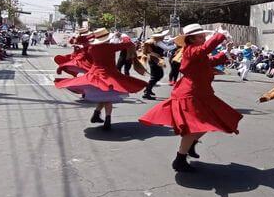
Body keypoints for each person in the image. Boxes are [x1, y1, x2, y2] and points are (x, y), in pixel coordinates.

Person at [139, 24, 241, 173]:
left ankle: (190, 145)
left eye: (203, 36)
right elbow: (204, 50)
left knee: (209, 122)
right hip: (191, 94)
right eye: (200, 36)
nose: (204, 38)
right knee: (193, 128)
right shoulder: (191, 50)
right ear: (191, 39)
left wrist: (226, 53)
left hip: (201, 93)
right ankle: (180, 159)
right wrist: (219, 36)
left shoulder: (196, 52)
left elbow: (208, 62)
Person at [55, 28, 144, 130]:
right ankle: (107, 119)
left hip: (95, 75)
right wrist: (124, 36)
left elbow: (83, 46)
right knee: (107, 99)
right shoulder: (110, 47)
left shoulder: (92, 48)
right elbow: (127, 44)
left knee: (104, 98)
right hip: (109, 76)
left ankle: (97, 114)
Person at [141, 30, 175, 100]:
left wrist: (175, 39)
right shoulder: (158, 42)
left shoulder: (156, 41)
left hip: (155, 60)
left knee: (158, 75)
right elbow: (167, 48)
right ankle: (146, 92)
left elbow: (167, 42)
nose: (164, 37)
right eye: (162, 36)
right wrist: (176, 45)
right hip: (155, 60)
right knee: (156, 76)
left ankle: (148, 90)